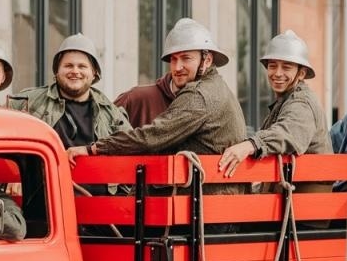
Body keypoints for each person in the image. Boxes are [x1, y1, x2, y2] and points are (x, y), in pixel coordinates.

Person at [68, 18, 245, 161]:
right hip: (211, 196)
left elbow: (152, 136)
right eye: (174, 59)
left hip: (196, 199)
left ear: (206, 61)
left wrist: (94, 148)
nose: (177, 67)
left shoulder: (199, 95)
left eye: (186, 58)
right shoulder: (220, 89)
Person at [216, 30, 330, 177]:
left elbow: (286, 133)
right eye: (272, 66)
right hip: (291, 191)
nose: (277, 73)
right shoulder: (285, 101)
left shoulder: (302, 102)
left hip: (306, 195)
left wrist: (250, 145)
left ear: (301, 73)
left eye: (286, 67)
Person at [8, 33, 130, 148]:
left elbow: (132, 147)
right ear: (57, 71)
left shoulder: (112, 114)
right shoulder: (27, 101)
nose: (75, 71)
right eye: (68, 66)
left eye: (82, 66)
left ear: (94, 73)